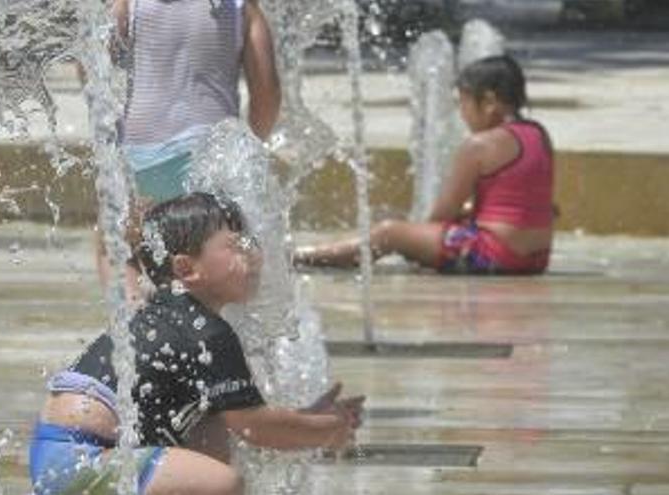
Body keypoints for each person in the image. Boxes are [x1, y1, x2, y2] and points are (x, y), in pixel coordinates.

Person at [30, 192, 364, 495]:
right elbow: (256, 427)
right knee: (221, 483)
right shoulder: (207, 332)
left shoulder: (174, 317)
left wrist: (304, 419)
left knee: (213, 427)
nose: (255, 255)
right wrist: (327, 429)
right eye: (237, 246)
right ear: (187, 268)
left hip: (66, 458)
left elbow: (249, 422)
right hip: (80, 459)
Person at [295, 54, 555, 275]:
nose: (461, 112)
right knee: (441, 227)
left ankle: (303, 256)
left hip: (496, 255)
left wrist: (417, 239)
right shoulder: (539, 135)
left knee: (390, 233)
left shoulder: (479, 146)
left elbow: (441, 216)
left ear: (488, 102)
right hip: (536, 259)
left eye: (463, 102)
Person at [93, 0, 282, 302]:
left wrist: (109, 138)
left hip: (143, 163)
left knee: (116, 245)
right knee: (239, 252)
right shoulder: (239, 7)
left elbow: (94, 67)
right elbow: (268, 92)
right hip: (214, 158)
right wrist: (253, 143)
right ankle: (235, 336)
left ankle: (135, 319)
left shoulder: (129, 4)